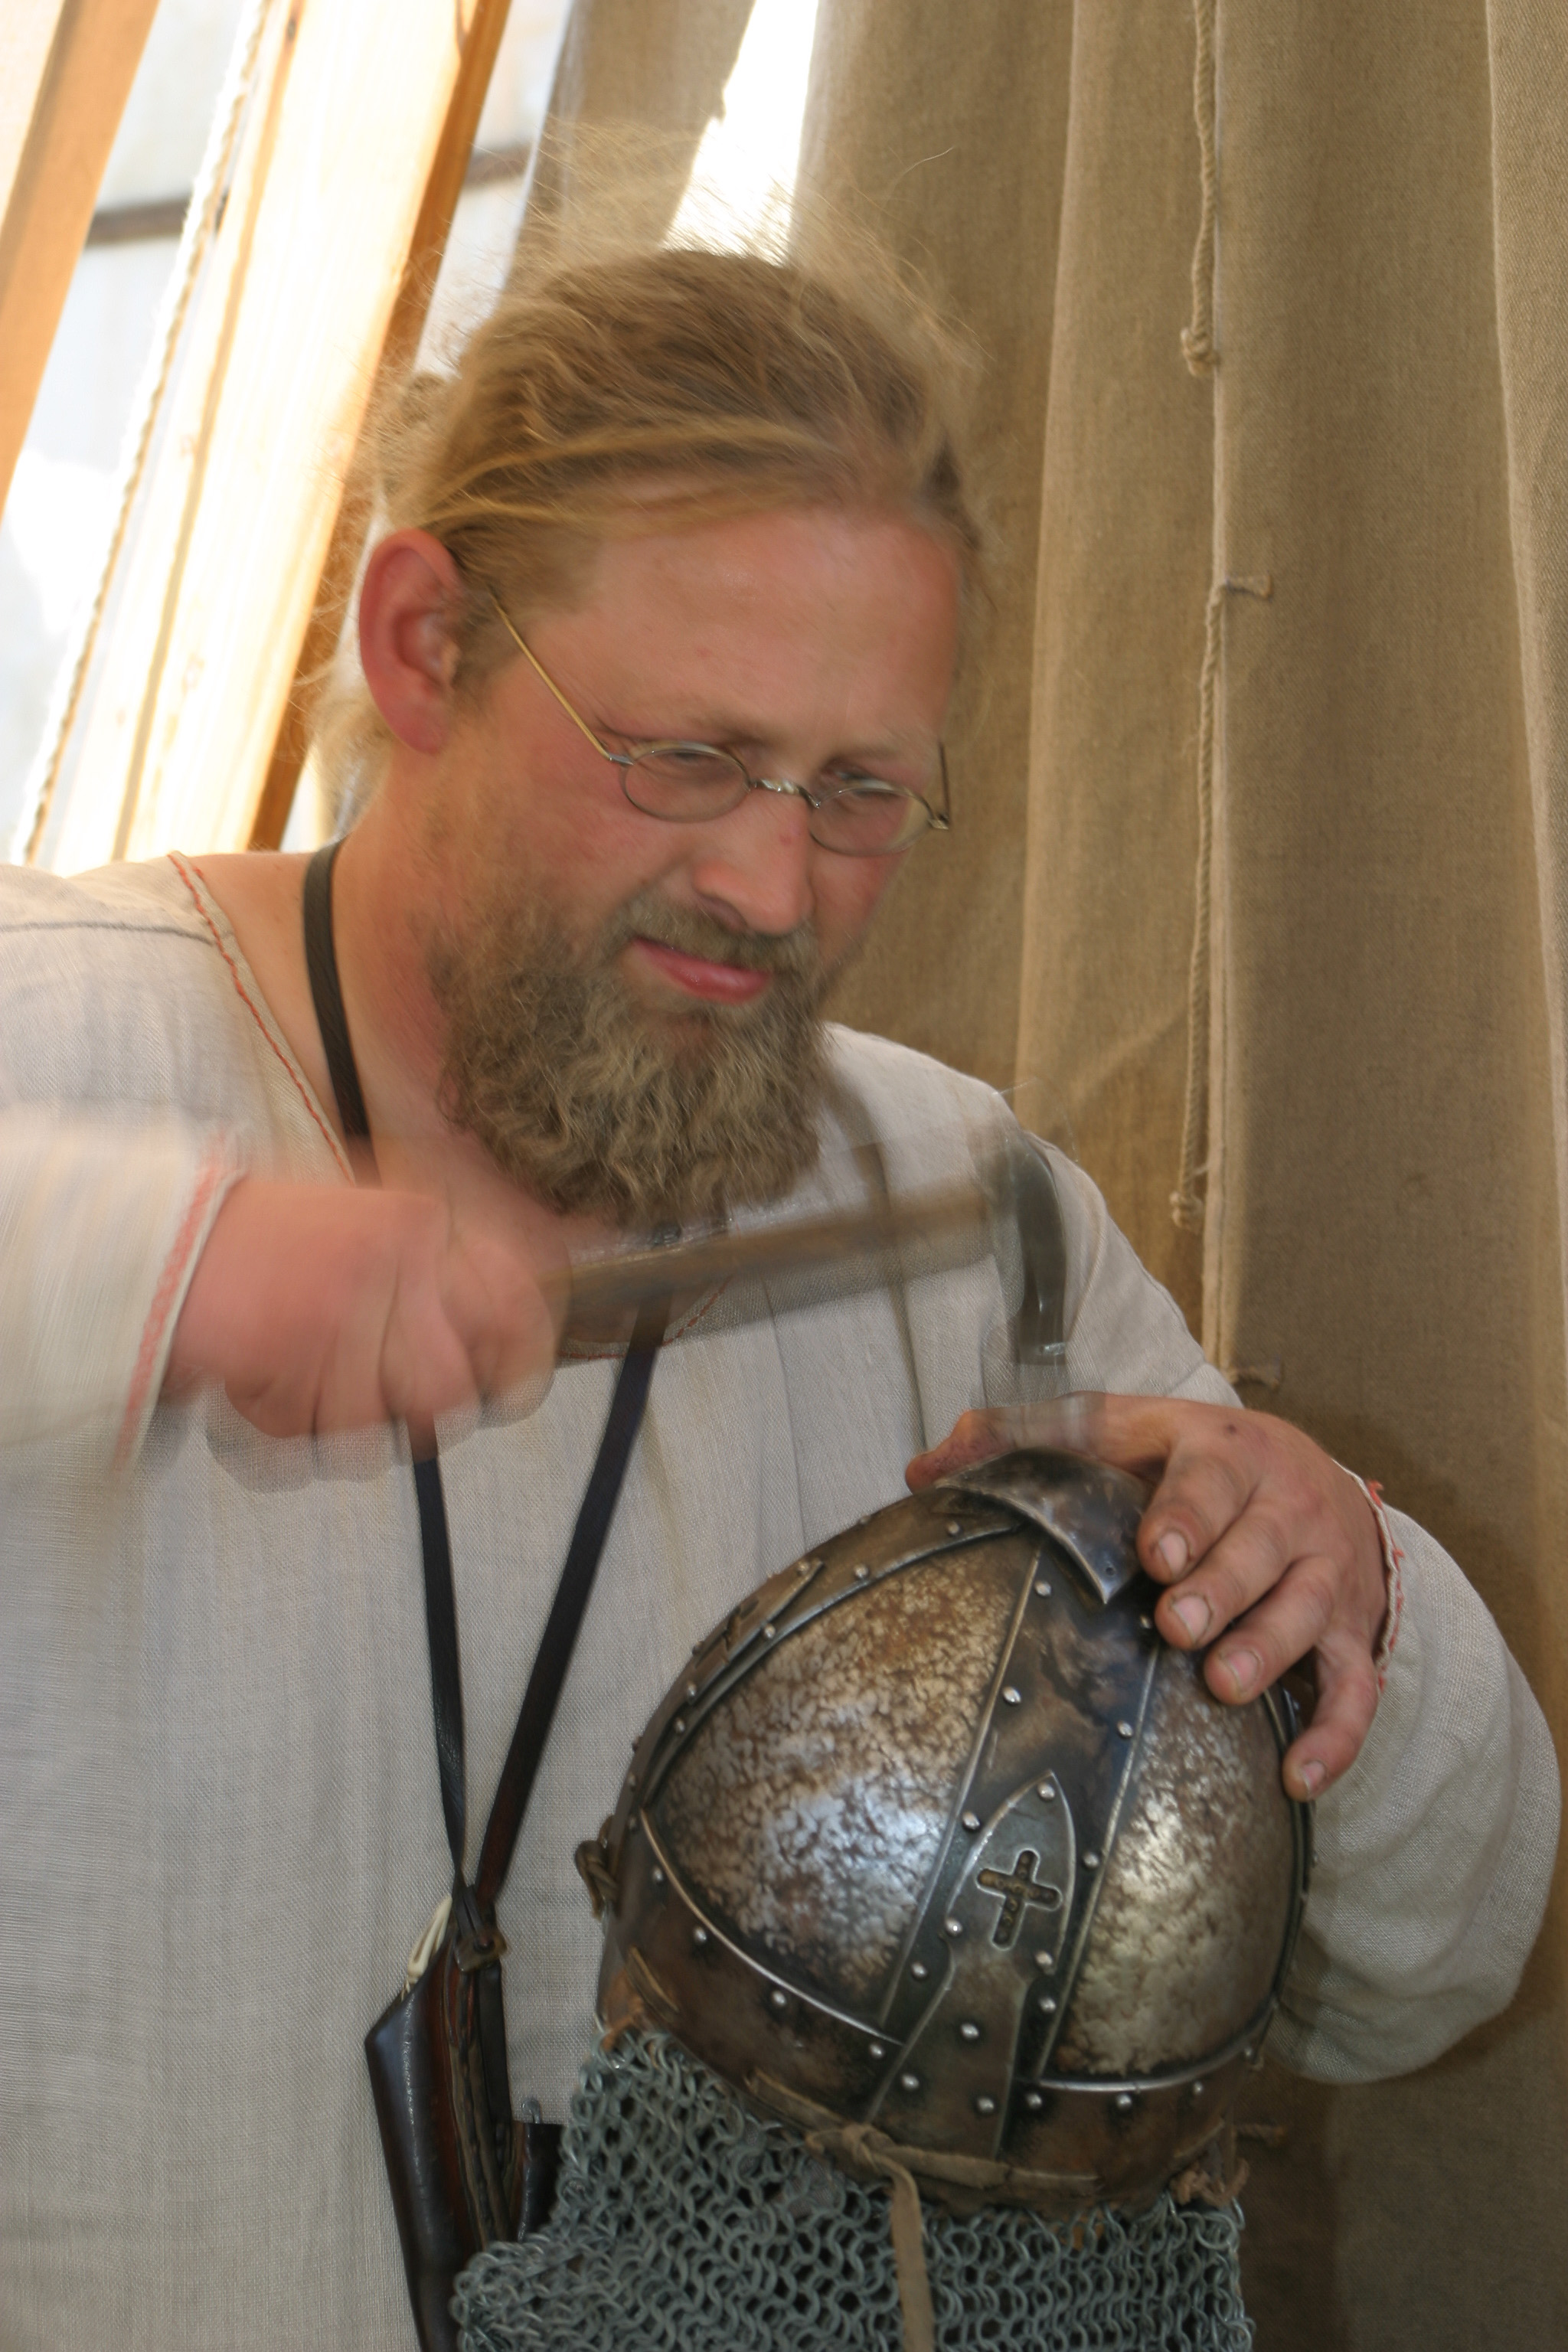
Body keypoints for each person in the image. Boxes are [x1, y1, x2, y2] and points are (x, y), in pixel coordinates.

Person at [0, 242, 1556, 2352]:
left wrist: (1331, 1590)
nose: (767, 885)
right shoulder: (55, 1045)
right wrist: (146, 1264)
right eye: (687, 753)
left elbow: (1422, 1963)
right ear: (426, 641)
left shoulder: (957, 1207)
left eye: (858, 792)